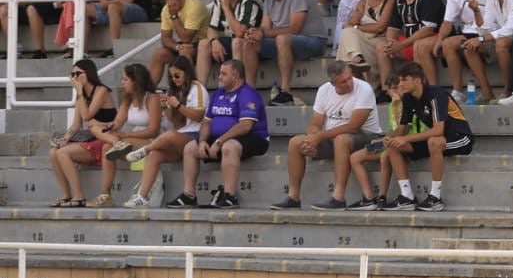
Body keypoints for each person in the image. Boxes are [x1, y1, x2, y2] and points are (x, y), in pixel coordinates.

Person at [346, 60, 472, 212]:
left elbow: (438, 130)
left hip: (460, 138)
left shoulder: (435, 94)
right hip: (434, 140)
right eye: (399, 81)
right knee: (393, 145)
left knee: (434, 141)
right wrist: (387, 138)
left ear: (417, 80)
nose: (400, 85)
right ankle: (406, 196)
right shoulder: (407, 98)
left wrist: (403, 139)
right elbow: (401, 130)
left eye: (404, 80)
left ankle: (435, 197)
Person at [272, 59, 382, 211]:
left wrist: (320, 137)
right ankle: (293, 196)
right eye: (343, 82)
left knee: (341, 139)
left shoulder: (364, 88)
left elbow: (354, 127)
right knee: (295, 142)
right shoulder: (324, 90)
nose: (349, 83)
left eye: (349, 78)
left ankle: (338, 197)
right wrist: (312, 138)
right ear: (333, 83)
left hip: (366, 136)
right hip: (331, 136)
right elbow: (315, 123)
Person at [170, 58, 269, 208]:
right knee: (190, 148)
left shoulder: (248, 94)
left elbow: (245, 125)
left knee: (229, 146)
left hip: (254, 138)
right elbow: (207, 122)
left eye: (223, 74)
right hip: (220, 139)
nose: (219, 77)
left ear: (235, 77)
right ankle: (189, 195)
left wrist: (219, 141)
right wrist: (203, 140)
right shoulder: (218, 93)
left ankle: (230, 196)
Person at [122, 55, 207, 207]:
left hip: (197, 135)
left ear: (187, 72)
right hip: (182, 135)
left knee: (169, 136)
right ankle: (142, 196)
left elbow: (199, 116)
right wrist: (166, 107)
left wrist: (178, 105)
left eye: (177, 75)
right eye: (171, 76)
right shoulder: (176, 91)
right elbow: (177, 122)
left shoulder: (197, 88)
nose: (174, 79)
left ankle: (145, 149)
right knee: (155, 155)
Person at [255, 0, 329, 105]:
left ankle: (285, 93)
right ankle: (249, 91)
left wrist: (264, 34)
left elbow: (295, 29)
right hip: (286, 42)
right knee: (249, 42)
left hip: (314, 41)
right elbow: (265, 27)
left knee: (282, 39)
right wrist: (256, 33)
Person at [45, 58, 117, 207]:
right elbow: (76, 125)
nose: (75, 78)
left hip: (104, 138)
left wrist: (79, 93)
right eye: (72, 75)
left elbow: (87, 116)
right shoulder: (81, 95)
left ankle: (79, 197)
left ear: (88, 73)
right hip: (90, 138)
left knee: (63, 153)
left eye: (78, 73)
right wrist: (63, 140)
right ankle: (66, 195)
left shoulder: (101, 90)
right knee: (54, 151)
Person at [90, 62, 160, 206]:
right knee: (98, 134)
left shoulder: (152, 98)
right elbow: (119, 121)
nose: (122, 83)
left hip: (152, 141)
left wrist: (126, 136)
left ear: (136, 81)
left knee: (109, 145)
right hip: (130, 140)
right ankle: (106, 194)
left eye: (125, 79)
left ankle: (118, 143)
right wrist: (110, 128)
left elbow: (154, 130)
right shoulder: (127, 99)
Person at [436, 0, 493, 104]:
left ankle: (487, 92)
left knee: (463, 44)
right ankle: (457, 91)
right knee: (446, 43)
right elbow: (448, 21)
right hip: (468, 31)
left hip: (487, 31)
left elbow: (491, 19)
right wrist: (438, 41)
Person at [198, 0, 264, 89]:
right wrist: (214, 42)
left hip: (254, 43)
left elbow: (240, 33)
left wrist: (227, 8)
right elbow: (211, 29)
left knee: (237, 42)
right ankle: (201, 93)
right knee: (204, 44)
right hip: (234, 41)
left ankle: (237, 89)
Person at [384, 0, 445, 87]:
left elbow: (428, 30)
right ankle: (388, 89)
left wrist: (401, 45)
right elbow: (392, 28)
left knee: (419, 45)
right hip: (410, 41)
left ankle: (431, 89)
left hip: (435, 39)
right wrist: (391, 42)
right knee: (382, 47)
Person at [335, 0, 395, 81]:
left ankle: (346, 70)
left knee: (350, 32)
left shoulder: (391, 0)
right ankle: (357, 60)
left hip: (379, 41)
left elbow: (380, 27)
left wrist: (358, 27)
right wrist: (354, 20)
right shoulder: (363, 1)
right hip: (363, 41)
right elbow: (350, 22)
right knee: (347, 31)